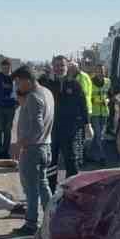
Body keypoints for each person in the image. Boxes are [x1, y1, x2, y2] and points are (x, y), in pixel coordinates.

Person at [10, 66, 54, 236]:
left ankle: (30, 223)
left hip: (33, 149)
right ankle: (51, 219)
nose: (17, 87)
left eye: (18, 82)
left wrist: (19, 144)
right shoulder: (47, 93)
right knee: (43, 185)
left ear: (27, 80)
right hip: (45, 146)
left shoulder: (34, 97)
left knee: (31, 188)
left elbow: (37, 127)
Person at [43, 56, 87, 184]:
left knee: (72, 162)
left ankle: (71, 191)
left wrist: (87, 124)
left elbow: (82, 104)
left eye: (62, 65)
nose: (59, 68)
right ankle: (50, 192)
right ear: (52, 67)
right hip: (51, 130)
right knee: (51, 162)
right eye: (56, 65)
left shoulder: (75, 84)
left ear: (67, 67)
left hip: (70, 130)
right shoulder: (47, 84)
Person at [0, 58, 18, 160]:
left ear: (10, 67)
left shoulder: (14, 78)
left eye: (7, 68)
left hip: (10, 108)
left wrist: (16, 104)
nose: (5, 70)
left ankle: (5, 152)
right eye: (3, 68)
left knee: (7, 130)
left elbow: (20, 91)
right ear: (1, 67)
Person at [88, 63, 111, 162]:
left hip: (105, 112)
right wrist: (98, 101)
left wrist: (108, 100)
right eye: (98, 71)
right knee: (98, 134)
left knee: (98, 135)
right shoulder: (90, 82)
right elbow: (88, 97)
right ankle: (102, 156)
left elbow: (110, 94)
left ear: (104, 71)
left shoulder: (108, 81)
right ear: (95, 72)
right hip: (94, 112)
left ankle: (89, 153)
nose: (100, 72)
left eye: (101, 71)